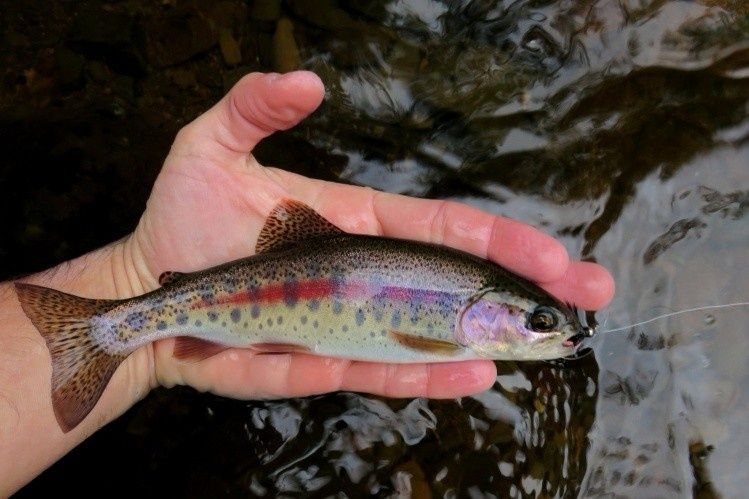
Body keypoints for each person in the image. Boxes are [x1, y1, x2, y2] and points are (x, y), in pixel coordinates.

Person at [0, 71, 614, 494]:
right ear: (491, 311)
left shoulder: (461, 330)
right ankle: (105, 329)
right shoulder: (446, 337)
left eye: (545, 326)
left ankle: (106, 329)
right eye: (538, 323)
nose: (551, 334)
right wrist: (134, 280)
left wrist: (136, 280)